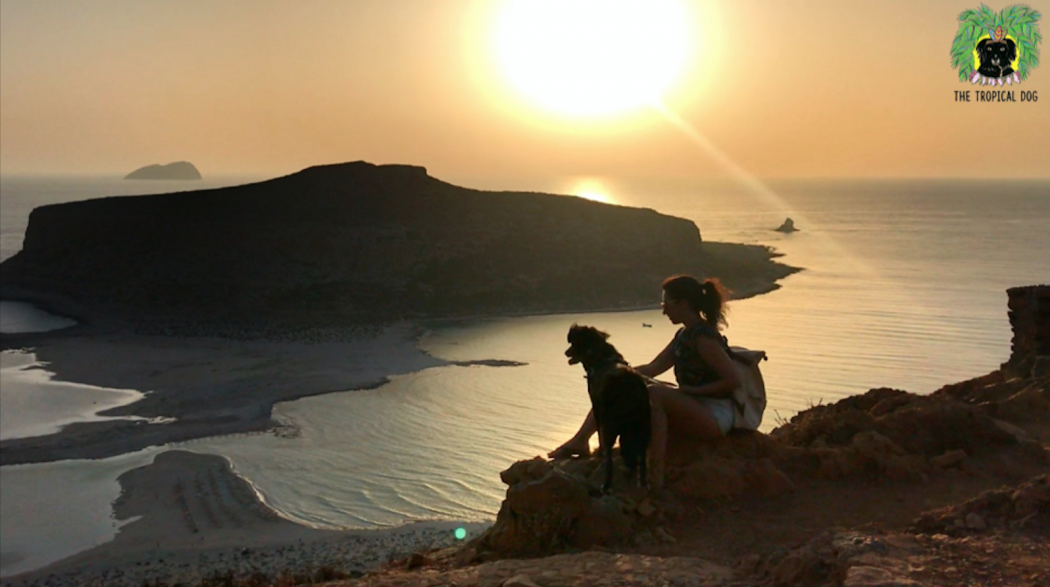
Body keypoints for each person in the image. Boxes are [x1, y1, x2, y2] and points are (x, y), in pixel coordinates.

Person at [548, 275, 741, 488]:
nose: (663, 310)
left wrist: (694, 392)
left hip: (716, 414)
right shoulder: (684, 335)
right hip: (695, 405)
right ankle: (581, 440)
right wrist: (616, 373)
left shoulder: (704, 338)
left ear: (683, 304)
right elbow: (654, 367)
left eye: (666, 304)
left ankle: (654, 472)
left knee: (655, 394)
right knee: (618, 384)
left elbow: (733, 381)